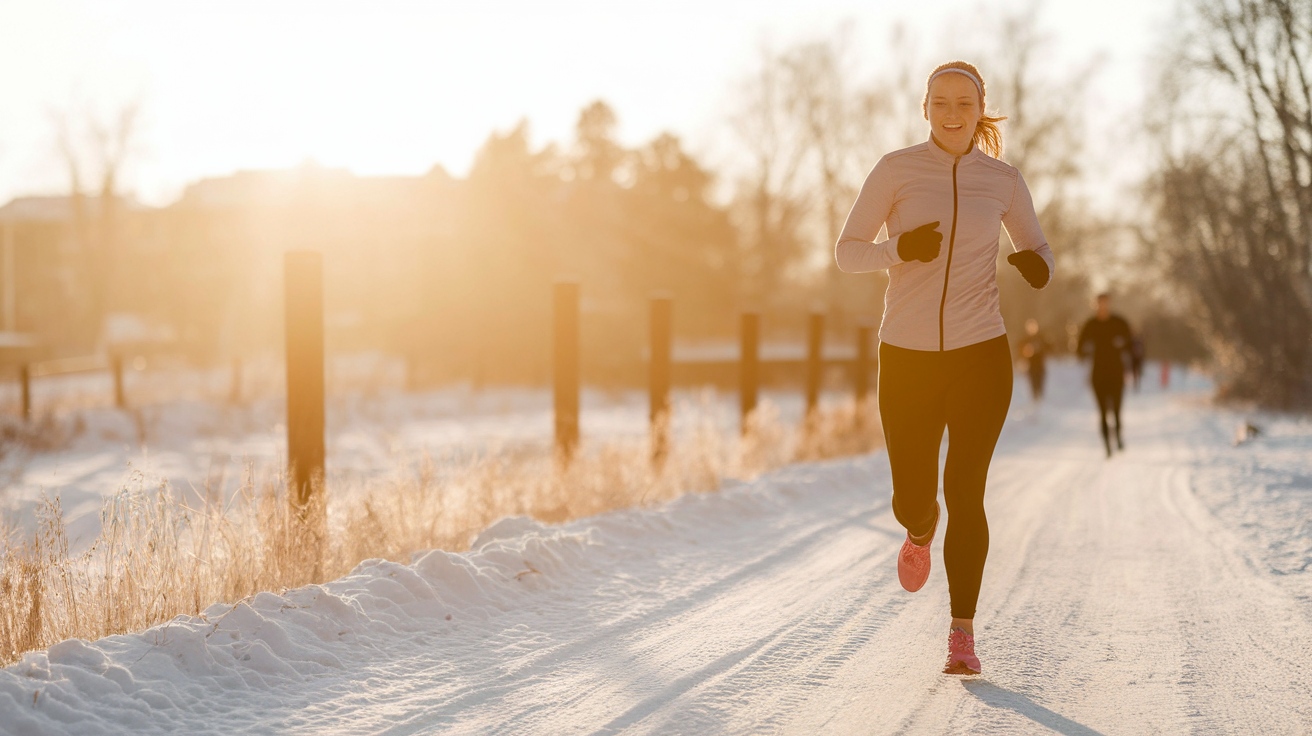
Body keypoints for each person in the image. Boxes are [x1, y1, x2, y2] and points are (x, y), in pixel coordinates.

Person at [835, 60, 1053, 676]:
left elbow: (1037, 246)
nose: (953, 113)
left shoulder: (1003, 180)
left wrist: (1038, 266)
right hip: (905, 355)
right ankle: (918, 527)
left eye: (965, 103)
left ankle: (962, 631)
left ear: (980, 110)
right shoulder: (895, 170)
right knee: (914, 494)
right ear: (925, 108)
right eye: (941, 102)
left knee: (967, 489)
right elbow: (847, 252)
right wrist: (899, 249)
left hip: (981, 351)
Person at [1077, 294, 1133, 457]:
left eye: (1106, 303)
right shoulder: (1090, 325)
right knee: (1102, 412)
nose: (1103, 306)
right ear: (1096, 305)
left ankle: (1118, 436)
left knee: (1116, 410)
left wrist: (1123, 345)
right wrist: (1086, 349)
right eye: (1100, 304)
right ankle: (1107, 445)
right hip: (1098, 374)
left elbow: (1132, 344)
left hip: (1116, 373)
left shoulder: (1119, 323)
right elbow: (1079, 349)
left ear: (1109, 304)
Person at [1020, 318, 1049, 402]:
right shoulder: (1026, 340)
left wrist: (1040, 349)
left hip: (1040, 366)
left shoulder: (1041, 338)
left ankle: (1041, 399)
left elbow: (1049, 348)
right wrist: (1026, 351)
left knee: (1040, 382)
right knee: (1033, 383)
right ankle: (1034, 399)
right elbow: (1020, 350)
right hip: (1031, 366)